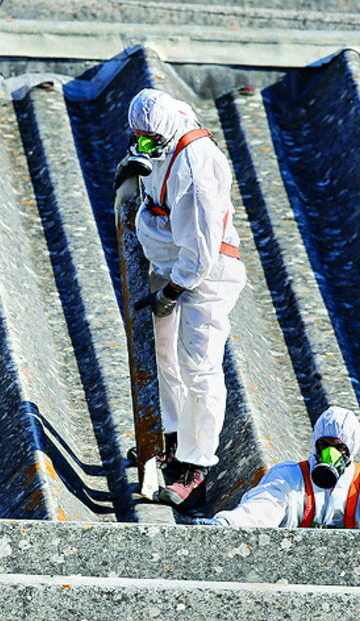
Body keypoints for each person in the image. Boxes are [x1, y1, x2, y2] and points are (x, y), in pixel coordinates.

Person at [120, 88, 246, 506]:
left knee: (199, 365)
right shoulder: (163, 137)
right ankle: (170, 439)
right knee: (164, 357)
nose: (144, 146)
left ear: (168, 131)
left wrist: (173, 291)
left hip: (204, 277)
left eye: (149, 140)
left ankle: (195, 465)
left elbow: (202, 250)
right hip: (170, 267)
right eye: (138, 138)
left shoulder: (196, 169)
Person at [191, 406, 360, 532]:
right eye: (324, 444)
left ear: (352, 450)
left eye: (340, 448)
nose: (331, 453)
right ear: (314, 443)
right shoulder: (289, 476)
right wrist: (225, 525)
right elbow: (262, 506)